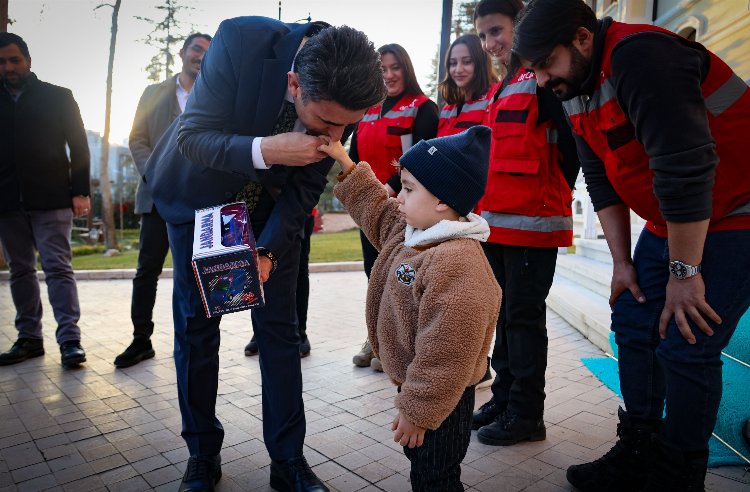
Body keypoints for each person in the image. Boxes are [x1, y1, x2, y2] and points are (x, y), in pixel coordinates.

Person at [514, 0, 750, 490]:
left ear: (582, 38)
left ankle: (680, 472)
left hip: (738, 209)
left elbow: (685, 168)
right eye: (532, 69)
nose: (540, 80)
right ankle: (641, 445)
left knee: (688, 337)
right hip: (676, 218)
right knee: (634, 318)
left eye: (545, 65)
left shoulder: (641, 57)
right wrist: (622, 262)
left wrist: (684, 276)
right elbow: (599, 175)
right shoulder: (573, 83)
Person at [143, 17, 385, 492]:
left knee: (281, 334)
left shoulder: (344, 89)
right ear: (294, 82)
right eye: (328, 124)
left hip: (273, 215)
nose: (335, 138)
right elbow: (194, 137)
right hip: (201, 202)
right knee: (196, 329)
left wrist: (270, 249)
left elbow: (311, 183)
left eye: (346, 127)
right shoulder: (239, 41)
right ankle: (201, 454)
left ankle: (288, 461)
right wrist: (267, 150)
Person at [319, 125, 501, 491]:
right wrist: (343, 159)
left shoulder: (457, 262)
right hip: (420, 390)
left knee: (436, 477)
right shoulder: (413, 235)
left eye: (408, 188)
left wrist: (418, 410)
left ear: (443, 201)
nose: (398, 198)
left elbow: (448, 353)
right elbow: (376, 208)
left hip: (441, 400)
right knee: (424, 469)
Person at [470, 0, 581, 447]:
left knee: (523, 318)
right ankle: (504, 398)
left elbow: (572, 141)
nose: (489, 43)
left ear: (520, 26)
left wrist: (556, 189)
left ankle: (527, 415)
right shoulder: (506, 86)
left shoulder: (540, 79)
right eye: (482, 35)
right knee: (505, 316)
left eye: (496, 31)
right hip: (499, 224)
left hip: (534, 223)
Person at [114, 32, 212, 369]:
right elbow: (137, 138)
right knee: (147, 271)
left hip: (198, 202)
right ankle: (141, 339)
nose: (200, 56)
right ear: (183, 52)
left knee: (194, 274)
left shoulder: (214, 96)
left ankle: (192, 338)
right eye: (196, 49)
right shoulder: (153, 93)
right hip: (156, 197)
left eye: (207, 52)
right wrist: (154, 175)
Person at [0, 32, 90, 369]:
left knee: (58, 270)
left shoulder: (58, 97)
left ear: (28, 61)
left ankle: (70, 340)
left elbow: (79, 146)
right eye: (2, 62)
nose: (8, 67)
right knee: (20, 271)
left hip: (52, 198)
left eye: (14, 60)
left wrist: (80, 191)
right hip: (6, 202)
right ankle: (29, 338)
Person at [349, 43, 439, 372]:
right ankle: (377, 339)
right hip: (372, 209)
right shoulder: (367, 110)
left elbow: (419, 157)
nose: (388, 75)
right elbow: (357, 156)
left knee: (402, 275)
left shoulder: (423, 108)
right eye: (382, 69)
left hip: (405, 208)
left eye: (394, 67)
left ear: (406, 68)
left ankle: (402, 344)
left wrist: (389, 188)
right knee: (374, 273)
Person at [245, 209, 314, 358]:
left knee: (300, 270)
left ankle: (300, 331)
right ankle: (258, 331)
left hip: (297, 209)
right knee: (256, 267)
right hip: (258, 210)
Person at [437, 34, 498, 137]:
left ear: (481, 62)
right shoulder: (448, 109)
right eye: (453, 63)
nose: (458, 70)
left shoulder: (496, 98)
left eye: (467, 62)